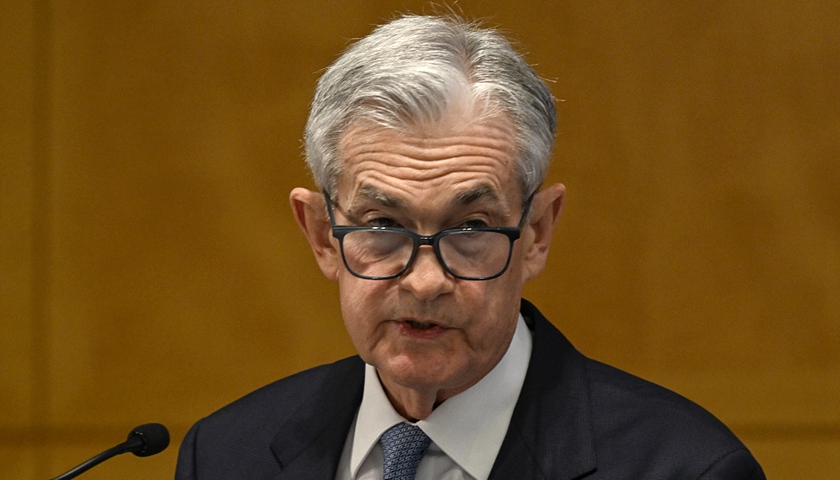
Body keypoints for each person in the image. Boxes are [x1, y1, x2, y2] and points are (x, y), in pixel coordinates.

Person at [175, 14, 765, 480]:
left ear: (536, 233)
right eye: (383, 224)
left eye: (469, 228)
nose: (425, 280)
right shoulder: (225, 455)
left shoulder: (686, 467)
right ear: (322, 236)